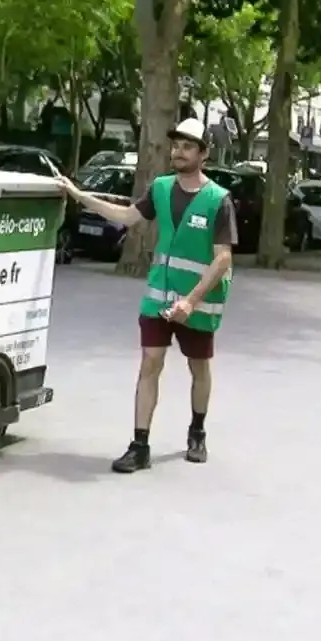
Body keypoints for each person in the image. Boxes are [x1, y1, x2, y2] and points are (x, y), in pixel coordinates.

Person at [55, 117, 236, 473]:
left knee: (198, 367)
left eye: (187, 146)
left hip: (197, 304)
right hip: (158, 298)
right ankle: (140, 446)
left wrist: (191, 301)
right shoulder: (161, 188)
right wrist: (79, 195)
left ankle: (197, 431)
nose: (178, 152)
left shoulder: (219, 200)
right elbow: (125, 216)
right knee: (150, 363)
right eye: (176, 145)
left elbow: (223, 258)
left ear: (203, 154)